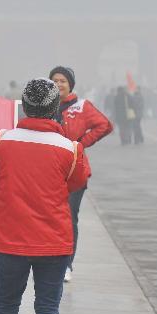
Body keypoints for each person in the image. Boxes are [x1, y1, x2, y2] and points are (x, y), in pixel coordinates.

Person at [0, 78, 89, 314]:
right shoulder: (70, 149)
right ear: (56, 109)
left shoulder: (2, 140)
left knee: (7, 304)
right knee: (46, 308)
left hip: (9, 237)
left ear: (24, 107)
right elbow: (75, 184)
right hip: (53, 240)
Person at [49, 66, 112, 282]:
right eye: (54, 80)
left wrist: (81, 144)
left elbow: (104, 125)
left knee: (68, 217)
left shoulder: (81, 107)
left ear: (70, 85)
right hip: (47, 171)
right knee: (49, 217)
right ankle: (50, 259)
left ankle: (67, 264)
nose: (58, 84)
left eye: (62, 81)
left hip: (74, 171)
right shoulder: (42, 106)